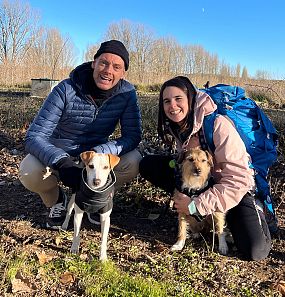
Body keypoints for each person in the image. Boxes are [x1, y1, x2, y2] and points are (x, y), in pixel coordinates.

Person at [139, 76, 271, 261]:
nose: (172, 106)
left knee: (255, 250)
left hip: (234, 187)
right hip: (204, 181)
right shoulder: (179, 125)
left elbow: (238, 181)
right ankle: (187, 203)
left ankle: (248, 211)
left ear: (191, 99)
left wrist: (196, 205)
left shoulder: (217, 125)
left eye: (178, 99)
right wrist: (181, 191)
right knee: (148, 164)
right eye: (166, 101)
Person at [19, 40, 142, 229]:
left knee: (133, 160)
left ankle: (97, 200)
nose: (108, 70)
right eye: (103, 63)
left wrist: (101, 151)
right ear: (94, 63)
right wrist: (61, 161)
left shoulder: (127, 94)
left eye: (116, 67)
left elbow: (132, 136)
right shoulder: (65, 89)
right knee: (29, 170)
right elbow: (34, 136)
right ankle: (56, 201)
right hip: (60, 153)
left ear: (123, 73)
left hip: (96, 155)